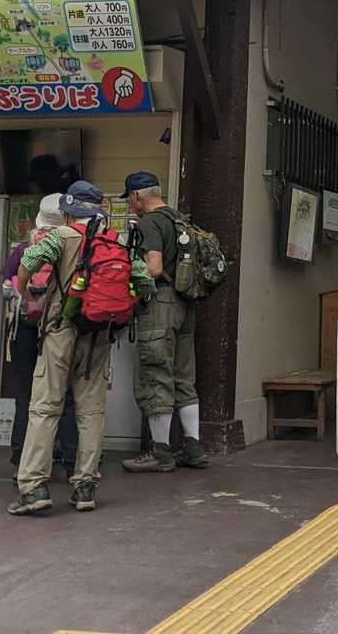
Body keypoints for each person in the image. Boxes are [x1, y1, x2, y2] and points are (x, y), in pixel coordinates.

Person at [8, 181, 121, 516]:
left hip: (61, 329)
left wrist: (24, 289)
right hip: (99, 334)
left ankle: (34, 487)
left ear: (69, 211)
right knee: (91, 410)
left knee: (45, 406)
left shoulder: (60, 236)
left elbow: (29, 259)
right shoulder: (115, 239)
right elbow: (142, 281)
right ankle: (85, 486)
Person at [121, 171, 206, 473]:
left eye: (129, 199)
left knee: (156, 374)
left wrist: (127, 275)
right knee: (184, 377)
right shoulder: (179, 219)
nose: (130, 205)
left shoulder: (150, 222)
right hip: (185, 304)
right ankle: (193, 448)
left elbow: (154, 267)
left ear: (136, 196)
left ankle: (161, 452)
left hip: (160, 305)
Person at [2, 193, 78, 478]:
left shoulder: (25, 248)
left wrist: (25, 294)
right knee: (65, 393)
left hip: (24, 327)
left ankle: (20, 456)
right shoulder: (72, 247)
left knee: (25, 394)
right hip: (59, 326)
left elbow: (6, 289)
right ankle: (70, 458)